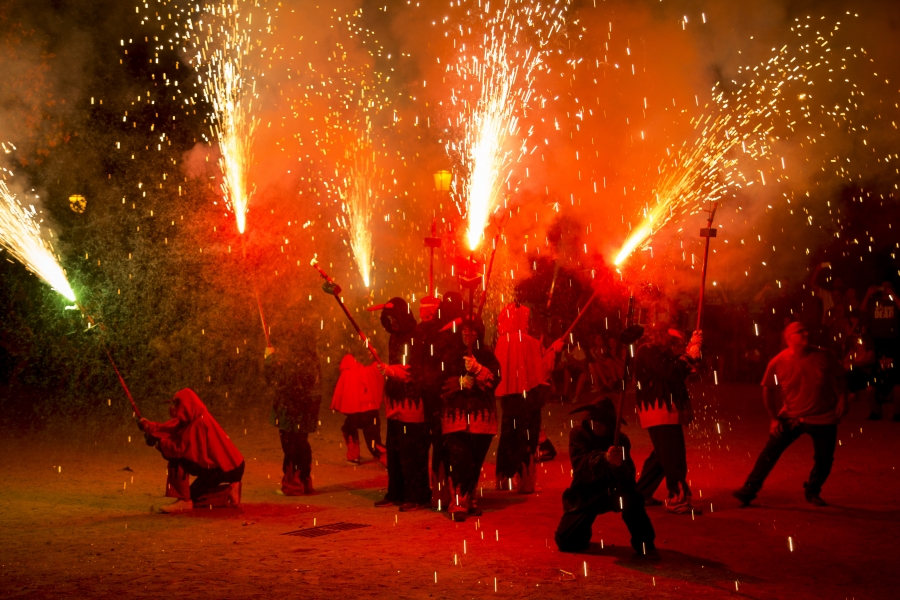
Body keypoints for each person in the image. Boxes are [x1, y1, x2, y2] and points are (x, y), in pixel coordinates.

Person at [733, 321, 848, 507]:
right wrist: (773, 418)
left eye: (806, 329)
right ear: (788, 338)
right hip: (792, 416)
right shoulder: (778, 362)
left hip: (823, 416)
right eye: (800, 331)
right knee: (769, 452)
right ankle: (749, 489)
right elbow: (767, 389)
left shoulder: (824, 355)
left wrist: (843, 399)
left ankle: (812, 490)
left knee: (824, 459)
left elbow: (841, 375)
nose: (806, 333)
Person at [554, 397, 657, 557]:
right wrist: (604, 459)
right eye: (594, 422)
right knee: (567, 541)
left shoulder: (621, 440)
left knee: (632, 499)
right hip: (585, 494)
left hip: (612, 492)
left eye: (601, 423)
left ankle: (645, 543)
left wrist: (618, 466)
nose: (596, 426)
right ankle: (582, 531)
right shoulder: (578, 434)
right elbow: (580, 467)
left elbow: (629, 479)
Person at [138, 388, 244, 513]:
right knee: (194, 495)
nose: (173, 407)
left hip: (225, 468)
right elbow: (169, 428)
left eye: (176, 403)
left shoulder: (199, 424)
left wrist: (158, 442)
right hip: (230, 465)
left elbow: (179, 449)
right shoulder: (194, 417)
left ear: (185, 405)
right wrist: (149, 427)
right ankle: (228, 492)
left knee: (177, 459)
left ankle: (184, 500)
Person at [370, 297, 431, 511]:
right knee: (394, 450)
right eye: (388, 319)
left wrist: (394, 371)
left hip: (413, 401)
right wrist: (388, 371)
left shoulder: (417, 336)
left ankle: (417, 495)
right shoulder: (394, 337)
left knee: (411, 451)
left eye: (394, 318)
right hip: (395, 399)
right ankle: (396, 491)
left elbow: (416, 369)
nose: (392, 323)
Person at [493, 301, 562, 493]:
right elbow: (542, 370)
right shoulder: (530, 342)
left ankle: (504, 480)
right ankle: (525, 482)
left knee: (508, 438)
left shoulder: (501, 341)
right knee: (527, 439)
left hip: (510, 400)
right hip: (529, 399)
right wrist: (554, 350)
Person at [633, 328, 703, 514]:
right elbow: (671, 371)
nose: (674, 347)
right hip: (659, 409)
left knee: (662, 456)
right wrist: (688, 355)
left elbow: (681, 371)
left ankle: (640, 494)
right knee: (673, 456)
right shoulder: (647, 350)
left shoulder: (661, 353)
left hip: (666, 410)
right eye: (673, 342)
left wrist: (692, 352)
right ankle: (677, 498)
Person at [440, 315, 501, 520]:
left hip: (482, 420)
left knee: (475, 462)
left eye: (473, 330)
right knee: (460, 460)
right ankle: (457, 501)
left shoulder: (488, 357)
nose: (468, 333)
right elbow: (439, 383)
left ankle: (469, 498)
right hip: (455, 419)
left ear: (479, 333)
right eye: (465, 329)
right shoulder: (450, 356)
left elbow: (494, 382)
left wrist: (478, 370)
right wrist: (459, 382)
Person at [264, 324, 322, 496]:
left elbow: (278, 379)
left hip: (291, 411)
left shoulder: (298, 359)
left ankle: (293, 484)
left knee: (291, 445)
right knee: (301, 443)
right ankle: (304, 480)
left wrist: (269, 360)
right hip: (304, 411)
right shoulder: (311, 357)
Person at [331, 354, 386, 465]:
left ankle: (353, 456)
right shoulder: (369, 371)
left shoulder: (346, 374)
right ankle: (385, 457)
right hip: (371, 411)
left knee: (349, 430)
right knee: (373, 437)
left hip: (353, 413)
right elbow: (379, 374)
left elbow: (339, 393)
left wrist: (337, 406)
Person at [861, 282, 899, 420]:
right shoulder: (874, 302)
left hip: (893, 339)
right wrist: (868, 294)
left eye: (888, 286)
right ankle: (876, 411)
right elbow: (861, 311)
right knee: (875, 374)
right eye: (882, 286)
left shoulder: (894, 301)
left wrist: (892, 294)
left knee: (894, 373)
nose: (884, 288)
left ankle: (897, 412)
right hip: (876, 340)